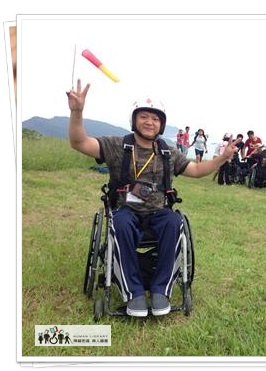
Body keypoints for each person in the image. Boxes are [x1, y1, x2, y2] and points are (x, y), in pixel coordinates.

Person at [66, 79, 239, 317]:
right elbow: (79, 142)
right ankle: (133, 292)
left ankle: (161, 290)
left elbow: (197, 170)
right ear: (134, 120)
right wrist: (77, 111)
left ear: (161, 124)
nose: (150, 122)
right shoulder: (117, 145)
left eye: (155, 118)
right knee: (121, 223)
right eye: (144, 116)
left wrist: (221, 158)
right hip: (126, 210)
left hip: (158, 212)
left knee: (174, 222)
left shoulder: (167, 152)